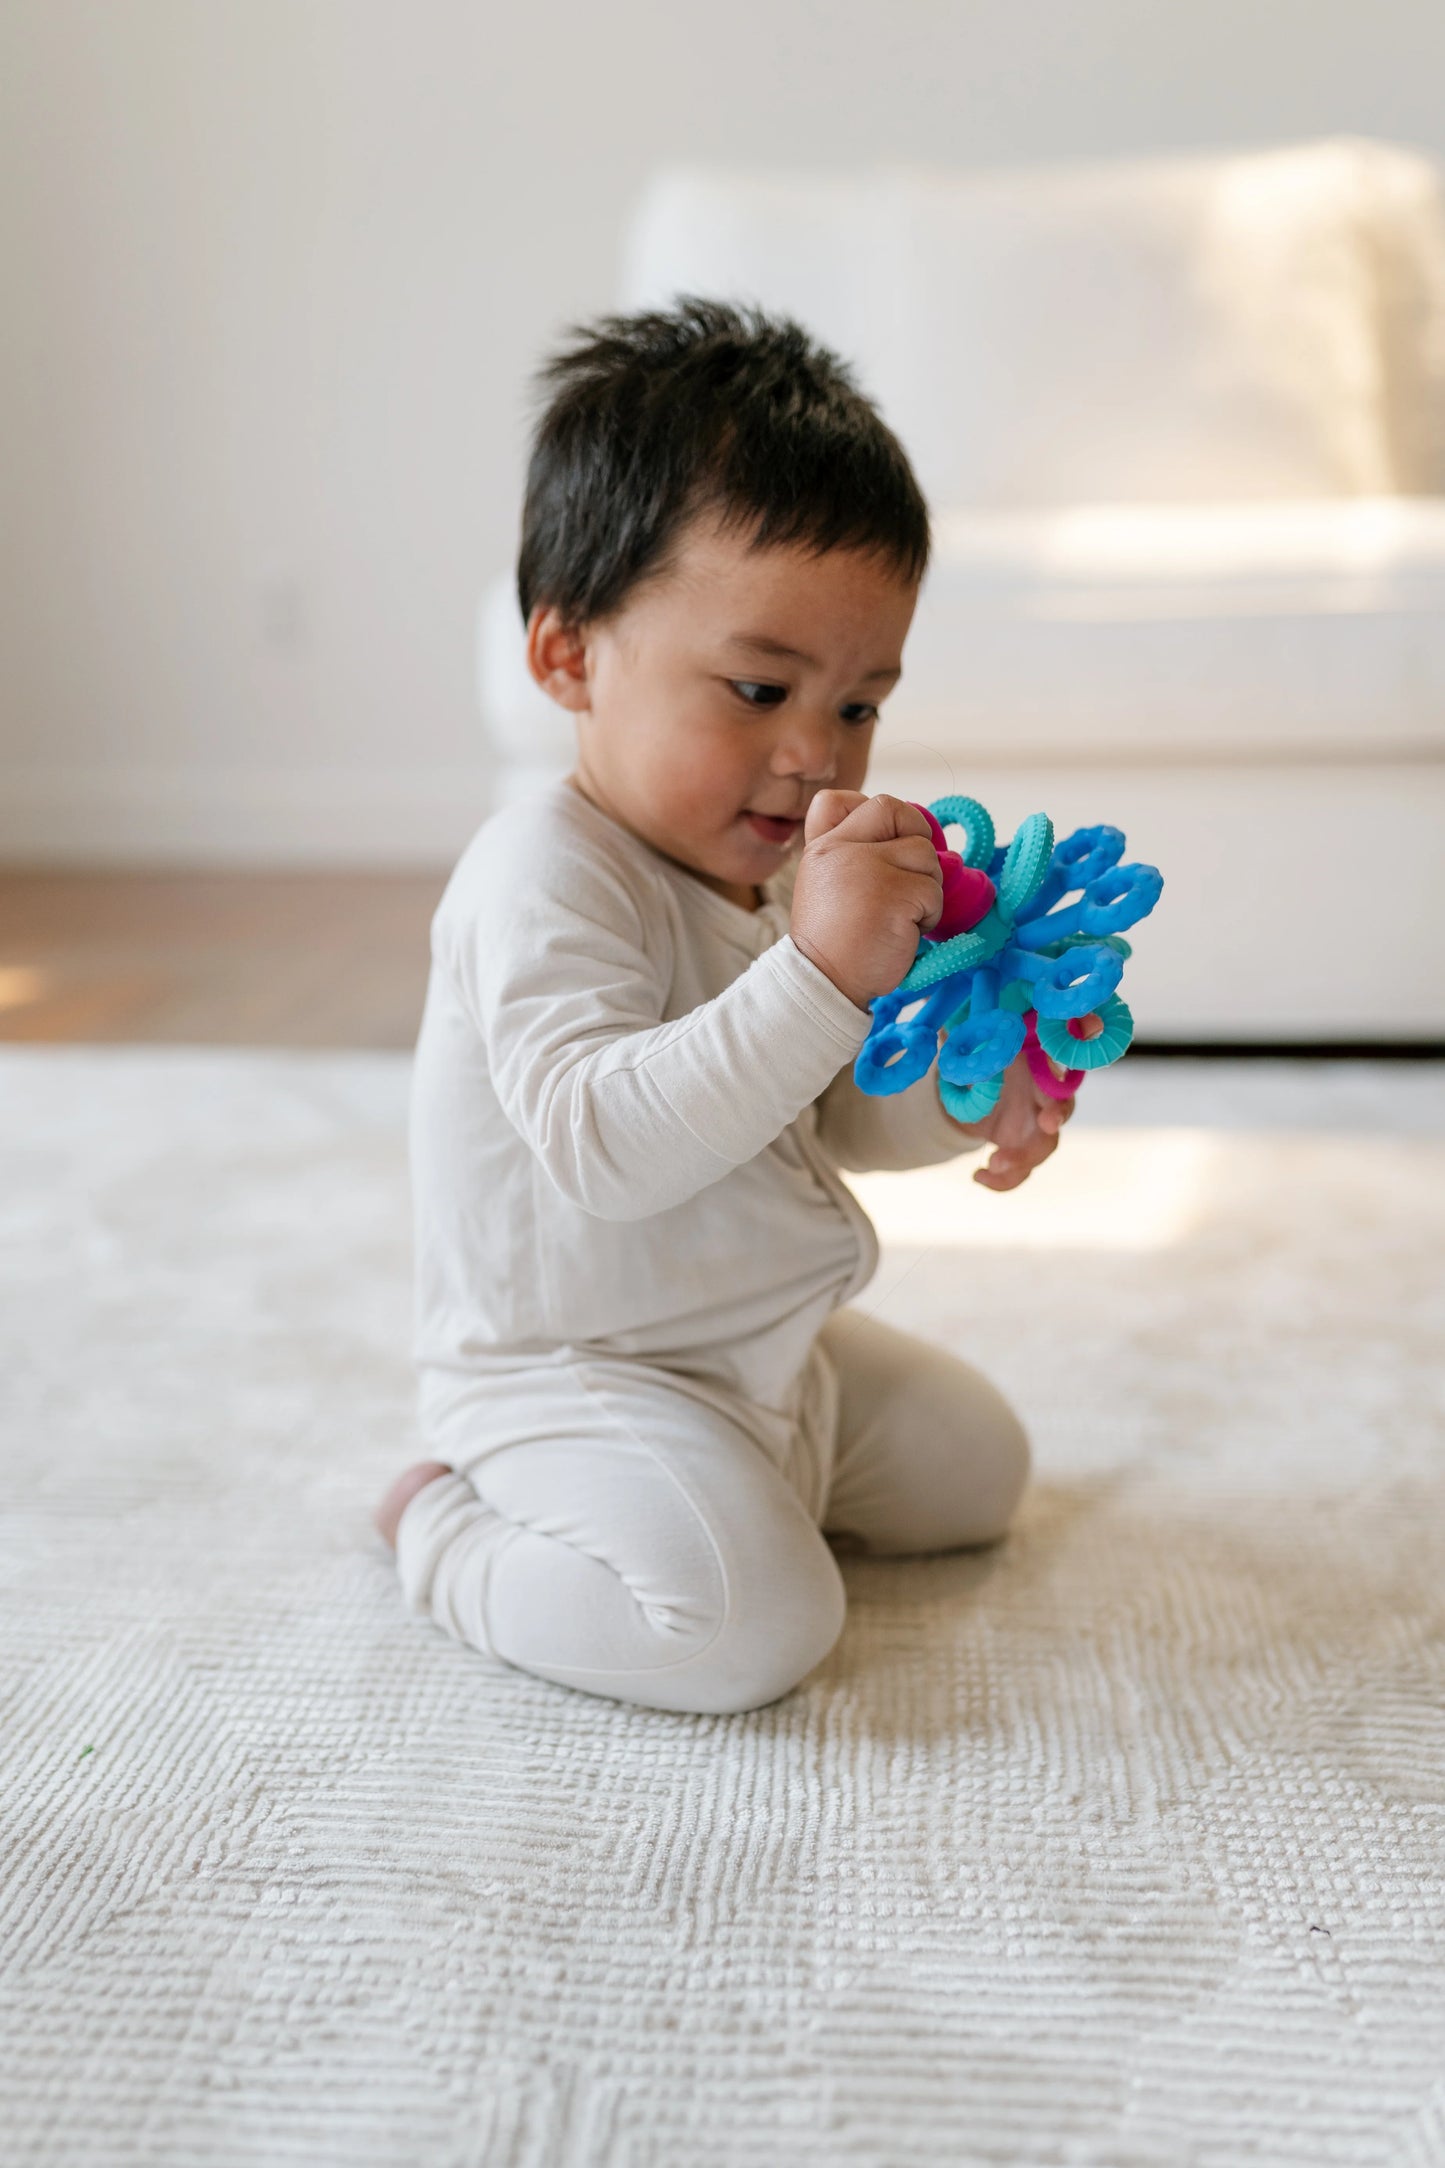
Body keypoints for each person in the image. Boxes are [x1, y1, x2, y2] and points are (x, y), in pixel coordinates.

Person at [374, 299, 1075, 1715]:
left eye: (861, 703)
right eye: (758, 688)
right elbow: (604, 1146)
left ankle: (734, 1482)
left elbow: (820, 1114)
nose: (814, 756)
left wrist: (957, 1087)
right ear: (568, 658)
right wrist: (820, 973)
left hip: (750, 1347)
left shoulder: (759, 873)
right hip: (580, 1366)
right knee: (746, 1632)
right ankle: (438, 1522)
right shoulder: (542, 876)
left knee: (977, 1473)